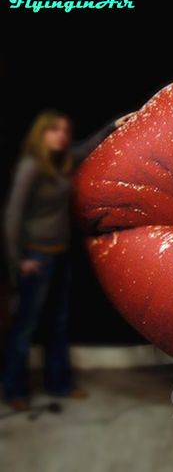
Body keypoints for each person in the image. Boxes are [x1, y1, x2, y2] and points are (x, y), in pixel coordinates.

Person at [2, 109, 134, 411]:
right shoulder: (31, 167)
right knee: (25, 326)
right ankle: (15, 390)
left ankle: (59, 383)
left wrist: (113, 124)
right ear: (40, 133)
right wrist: (18, 260)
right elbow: (12, 216)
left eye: (64, 130)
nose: (61, 135)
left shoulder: (61, 163)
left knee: (58, 323)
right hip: (36, 256)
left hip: (60, 254)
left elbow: (86, 146)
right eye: (54, 130)